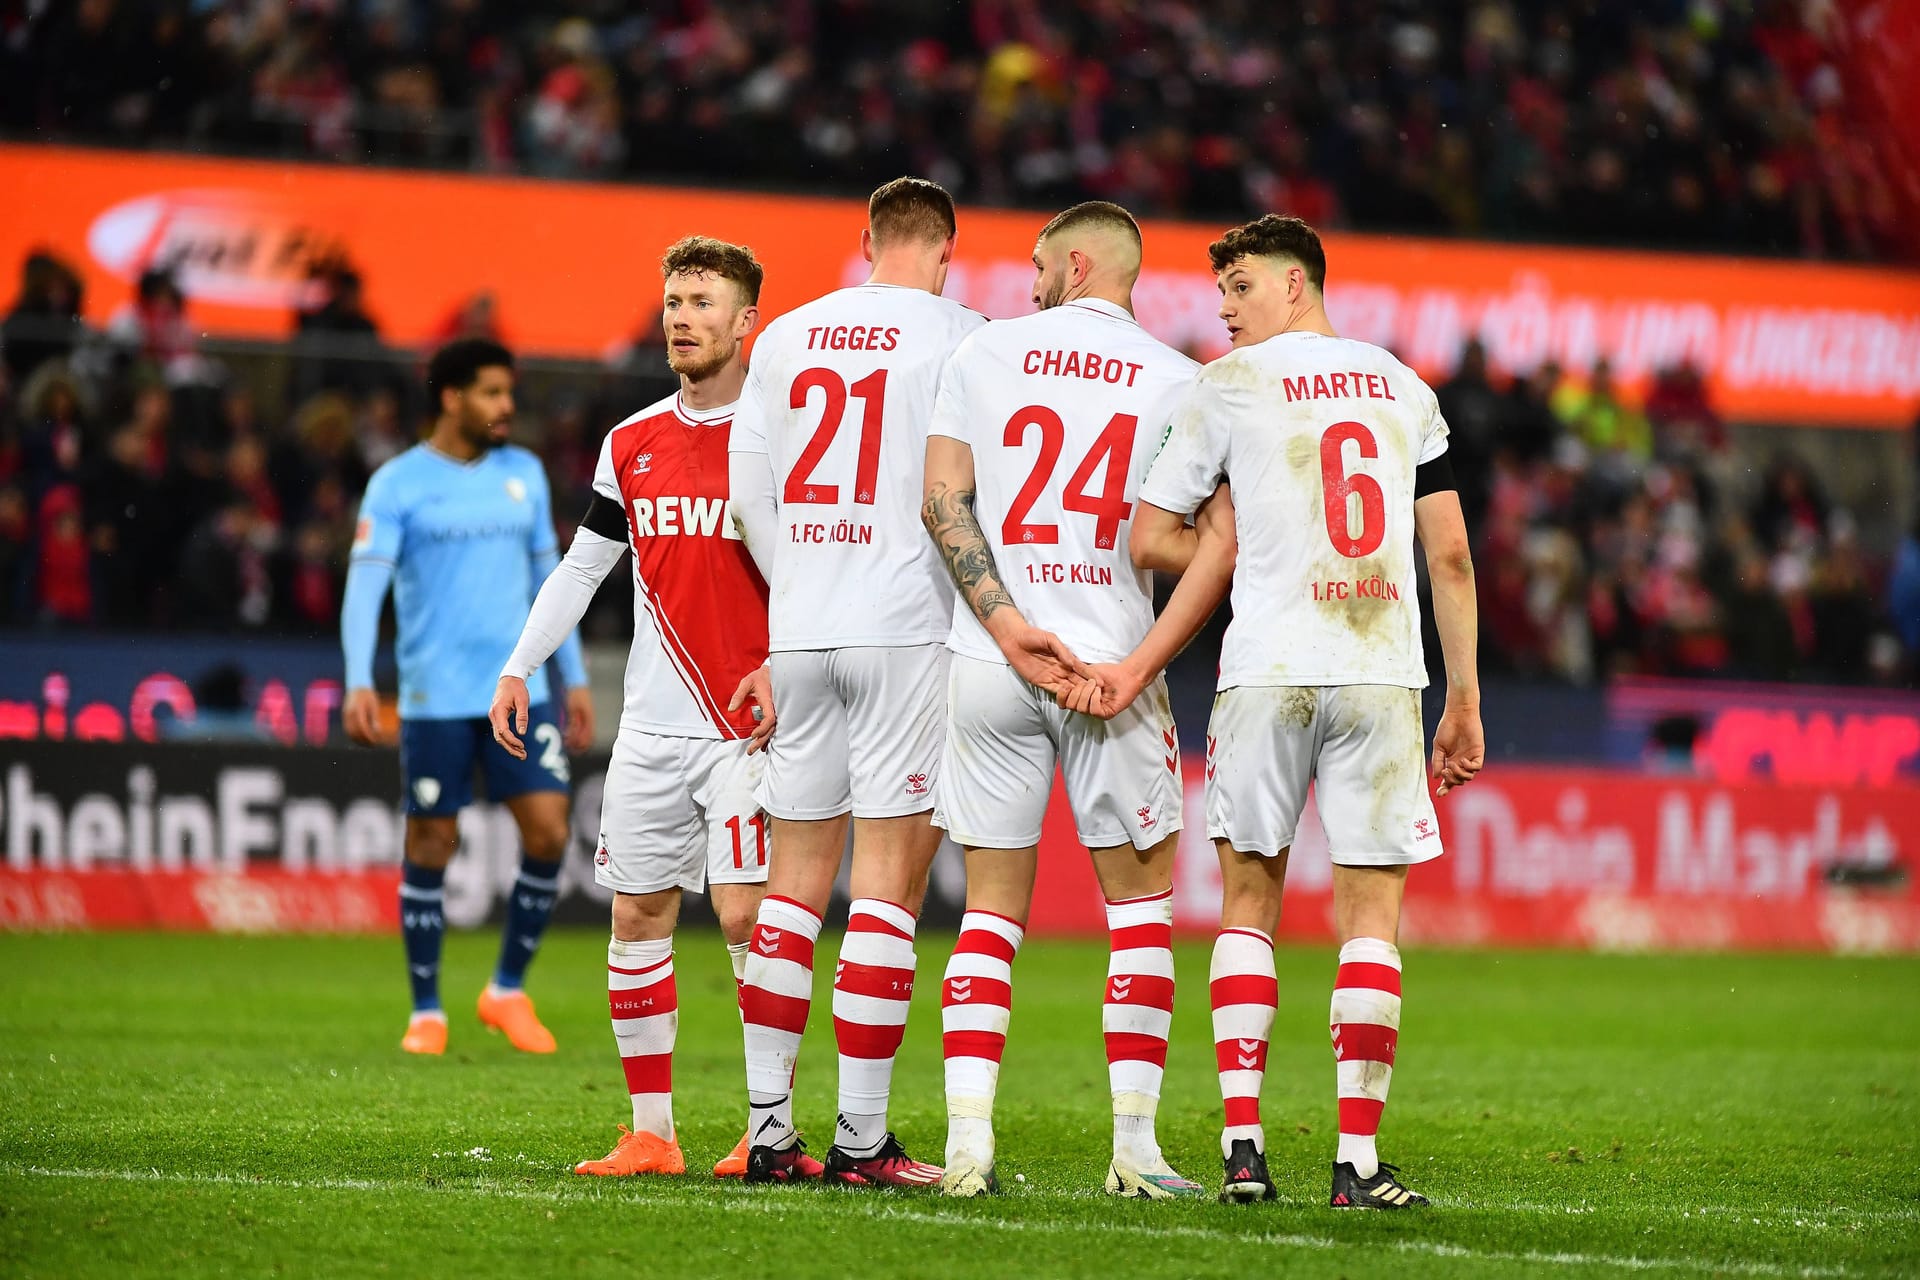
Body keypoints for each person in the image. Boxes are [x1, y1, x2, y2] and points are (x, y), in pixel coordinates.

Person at [1091, 214, 1485, 1208]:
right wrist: (1466, 691)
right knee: (1372, 919)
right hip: (1382, 669)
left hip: (1267, 666)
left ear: (1297, 284)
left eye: (1240, 288)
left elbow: (1151, 539)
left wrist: (1247, 546)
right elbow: (1449, 556)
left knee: (1248, 903)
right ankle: (1356, 1162)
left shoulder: (1224, 387)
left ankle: (1244, 1149)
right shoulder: (1404, 385)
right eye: (1221, 291)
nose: (1223, 310)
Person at [920, 201, 1209, 1200]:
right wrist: (1140, 659)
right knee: (1138, 912)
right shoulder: (1182, 381)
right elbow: (1207, 547)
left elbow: (942, 501)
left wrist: (1005, 624)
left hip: (995, 660)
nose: (1029, 281)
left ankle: (967, 1148)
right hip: (1109, 674)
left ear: (1079, 262)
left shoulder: (988, 353)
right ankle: (1135, 1149)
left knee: (990, 915)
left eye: (1041, 265)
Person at [490, 237, 789, 1181]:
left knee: (746, 918)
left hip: (751, 725)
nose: (681, 317)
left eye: (702, 301)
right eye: (672, 301)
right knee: (637, 919)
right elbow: (584, 568)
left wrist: (791, 665)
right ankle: (651, 1133)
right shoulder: (632, 441)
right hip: (652, 729)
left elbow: (822, 572)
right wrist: (517, 668)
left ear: (747, 322)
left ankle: (767, 1129)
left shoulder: (781, 435)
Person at [725, 177, 985, 1186]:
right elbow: (971, 490)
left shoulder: (788, 336)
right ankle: (863, 1138)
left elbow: (748, 496)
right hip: (903, 627)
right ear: (947, 250)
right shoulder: (965, 334)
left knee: (792, 886)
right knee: (885, 887)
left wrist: (804, 588)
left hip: (803, 628)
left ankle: (768, 1129)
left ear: (866, 238)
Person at [340, 338, 594, 1057]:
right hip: (434, 696)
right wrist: (360, 676)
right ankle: (426, 1009)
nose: (506, 406)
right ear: (451, 397)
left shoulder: (525, 475)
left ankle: (505, 990)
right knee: (431, 841)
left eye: (508, 392)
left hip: (521, 690)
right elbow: (366, 587)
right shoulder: (397, 483)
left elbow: (556, 585)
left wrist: (571, 677)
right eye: (490, 392)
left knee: (547, 830)